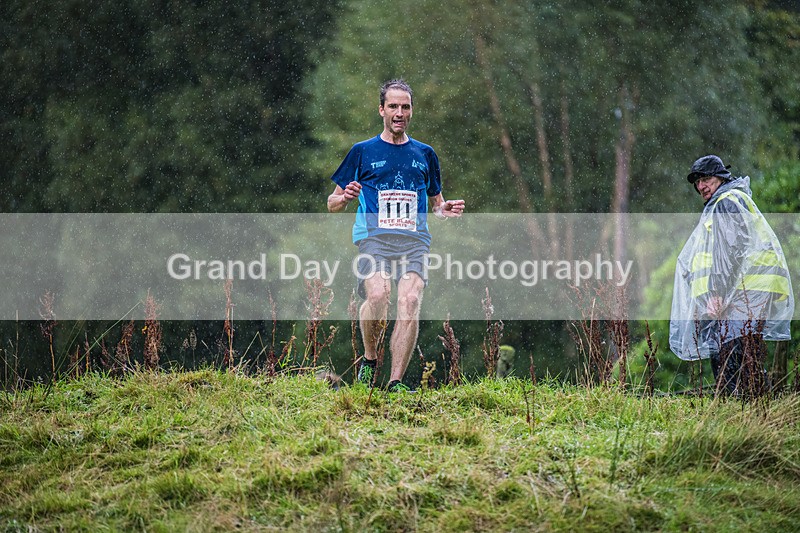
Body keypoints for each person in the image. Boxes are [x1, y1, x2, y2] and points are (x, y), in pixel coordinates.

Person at [327, 79, 465, 392]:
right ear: (381, 110)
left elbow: (436, 202)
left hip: (415, 240)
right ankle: (370, 358)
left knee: (411, 299)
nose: (399, 112)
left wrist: (444, 210)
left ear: (411, 111)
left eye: (405, 106)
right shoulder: (362, 152)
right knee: (377, 296)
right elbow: (331, 204)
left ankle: (395, 382)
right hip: (374, 238)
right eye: (393, 106)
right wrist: (345, 197)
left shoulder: (425, 154)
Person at [669, 155, 793, 396]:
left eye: (706, 179)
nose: (701, 186)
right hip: (749, 288)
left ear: (721, 178)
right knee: (744, 352)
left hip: (744, 289)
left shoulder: (726, 201)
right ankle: (756, 408)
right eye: (697, 182)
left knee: (730, 352)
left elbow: (729, 250)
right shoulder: (728, 200)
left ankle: (737, 409)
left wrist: (717, 293)